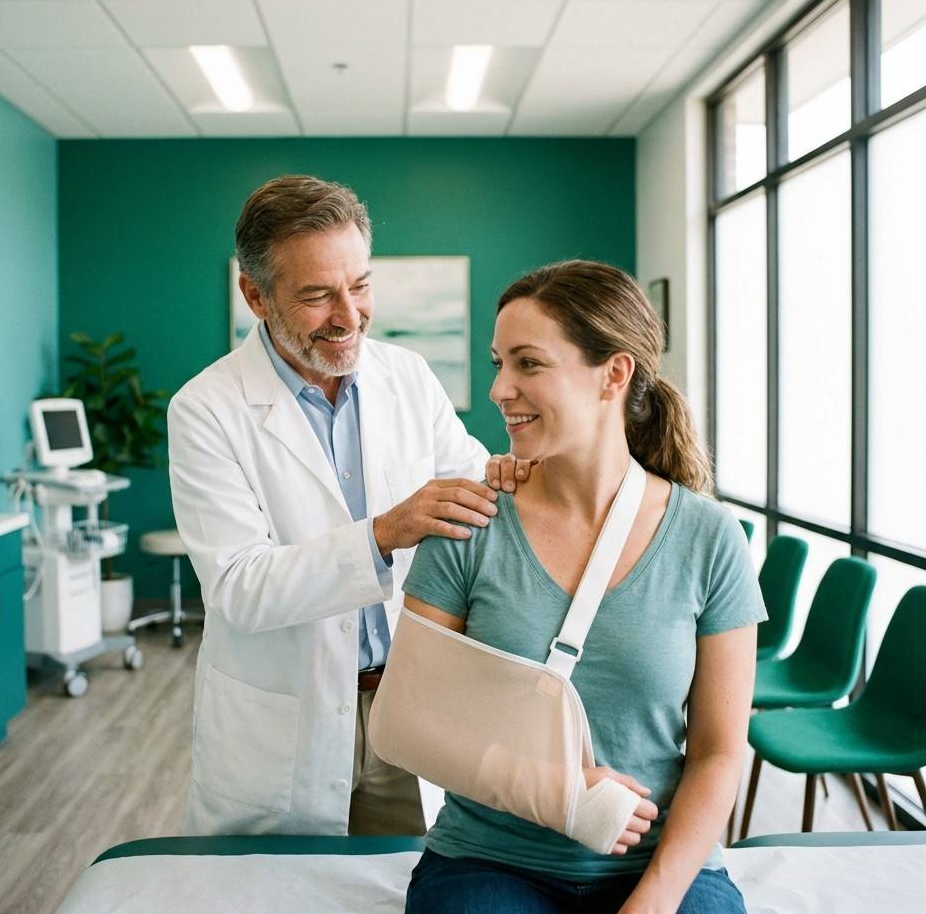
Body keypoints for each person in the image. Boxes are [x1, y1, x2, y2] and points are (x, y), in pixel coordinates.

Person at [167, 174, 529, 837]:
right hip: (285, 721)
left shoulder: (408, 378)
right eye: (316, 295)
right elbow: (240, 587)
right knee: (281, 893)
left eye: (360, 286)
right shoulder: (205, 410)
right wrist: (386, 532)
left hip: (407, 703)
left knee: (403, 883)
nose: (349, 314)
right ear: (255, 295)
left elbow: (481, 488)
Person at [400, 260, 765, 913]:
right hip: (490, 859)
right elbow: (410, 720)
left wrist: (652, 902)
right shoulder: (469, 525)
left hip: (657, 863)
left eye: (528, 364)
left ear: (613, 374)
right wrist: (554, 787)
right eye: (497, 363)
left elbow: (717, 753)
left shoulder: (709, 539)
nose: (499, 389)